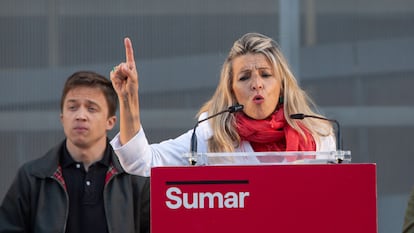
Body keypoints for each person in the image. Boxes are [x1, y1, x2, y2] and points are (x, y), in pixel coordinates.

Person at [110, 32, 336, 177]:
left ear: (282, 85)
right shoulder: (210, 138)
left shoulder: (318, 136)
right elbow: (141, 161)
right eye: (245, 77)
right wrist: (129, 100)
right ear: (232, 91)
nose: (257, 84)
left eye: (266, 75)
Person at [0, 71, 150, 233]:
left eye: (92, 108)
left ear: (110, 122)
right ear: (62, 117)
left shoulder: (135, 177)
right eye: (72, 107)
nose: (80, 116)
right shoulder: (33, 177)